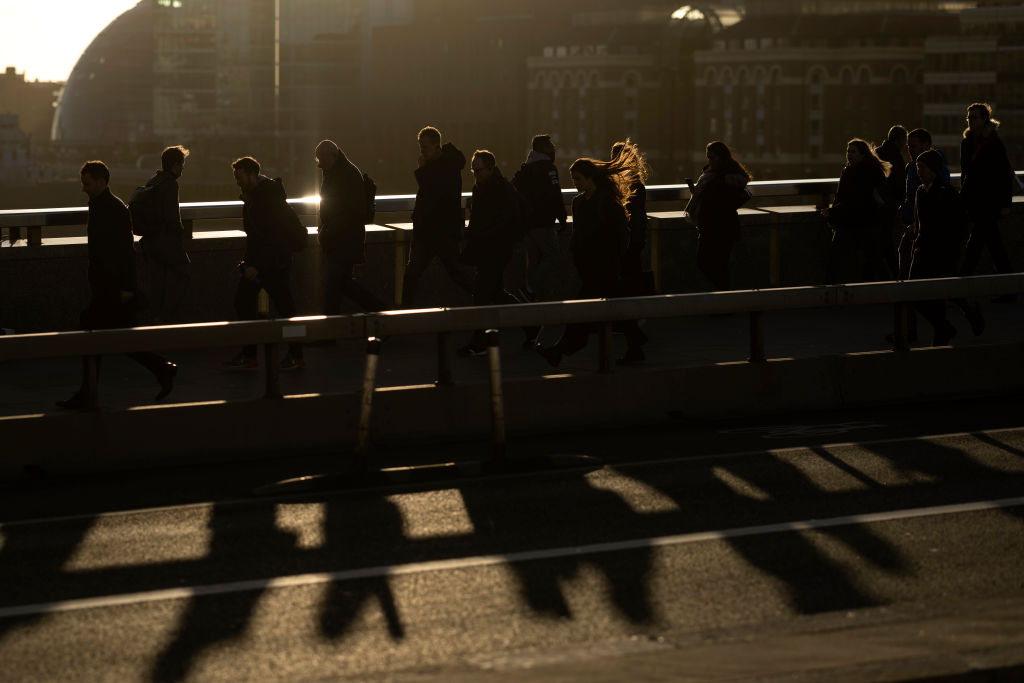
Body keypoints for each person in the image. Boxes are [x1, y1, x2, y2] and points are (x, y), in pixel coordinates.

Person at [57, 161, 176, 409]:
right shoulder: (105, 207)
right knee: (122, 339)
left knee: (93, 334)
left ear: (101, 182)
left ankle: (88, 393)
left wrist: (127, 288)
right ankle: (161, 369)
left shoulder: (114, 210)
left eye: (87, 183)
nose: (83, 188)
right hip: (108, 288)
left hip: (112, 290)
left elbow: (125, 253)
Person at [535, 152, 648, 367]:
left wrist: (613, 259)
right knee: (615, 308)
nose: (575, 183)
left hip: (604, 267)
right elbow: (578, 234)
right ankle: (636, 344)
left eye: (578, 179)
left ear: (589, 178)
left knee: (582, 310)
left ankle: (560, 350)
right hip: (588, 267)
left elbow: (621, 235)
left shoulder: (607, 203)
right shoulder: (579, 203)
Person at [223, 156, 305, 371]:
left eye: (239, 177)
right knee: (272, 306)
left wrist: (254, 266)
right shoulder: (257, 196)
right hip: (267, 262)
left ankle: (288, 354)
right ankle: (277, 354)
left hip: (274, 263)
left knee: (277, 307)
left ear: (252, 174)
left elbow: (271, 237)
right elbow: (257, 237)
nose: (237, 182)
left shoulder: (264, 199)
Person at [908, 149, 985, 345]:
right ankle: (945, 326)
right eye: (918, 167)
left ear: (933, 169)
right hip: (922, 251)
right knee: (914, 295)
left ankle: (944, 331)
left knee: (940, 294)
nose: (919, 172)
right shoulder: (920, 192)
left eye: (922, 167)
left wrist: (954, 246)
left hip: (941, 253)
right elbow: (918, 224)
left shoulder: (946, 193)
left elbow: (960, 222)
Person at [457, 150, 527, 356]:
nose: (475, 174)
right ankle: (533, 324)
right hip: (487, 248)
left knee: (480, 295)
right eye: (473, 170)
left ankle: (480, 342)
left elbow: (508, 220)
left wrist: (484, 234)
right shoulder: (482, 187)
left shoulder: (501, 189)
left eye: (478, 170)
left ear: (490, 168)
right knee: (496, 293)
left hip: (496, 248)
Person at [402, 126, 474, 307]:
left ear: (436, 146)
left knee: (418, 274)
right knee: (415, 274)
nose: (422, 151)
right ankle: (404, 312)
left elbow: (434, 192)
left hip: (439, 232)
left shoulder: (447, 166)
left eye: (424, 147)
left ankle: (486, 298)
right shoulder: (448, 164)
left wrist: (422, 170)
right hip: (432, 231)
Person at [315, 139, 387, 316]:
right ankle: (382, 312)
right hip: (339, 239)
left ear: (332, 156)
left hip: (343, 240)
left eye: (321, 161)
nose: (319, 165)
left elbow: (352, 211)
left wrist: (329, 230)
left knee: (331, 285)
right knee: (344, 285)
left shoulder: (346, 175)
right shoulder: (337, 171)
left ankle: (330, 333)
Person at [959, 103, 1016, 301]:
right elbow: (966, 173)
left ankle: (960, 287)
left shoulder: (994, 143)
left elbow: (1004, 176)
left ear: (985, 119)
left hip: (989, 202)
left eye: (974, 117)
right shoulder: (966, 143)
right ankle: (1009, 289)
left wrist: (1005, 204)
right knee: (995, 246)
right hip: (975, 201)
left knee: (976, 245)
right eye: (969, 117)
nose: (970, 120)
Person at [822, 139, 891, 284]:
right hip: (856, 221)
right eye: (848, 151)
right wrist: (834, 214)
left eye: (853, 151)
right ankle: (889, 286)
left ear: (862, 155)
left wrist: (834, 212)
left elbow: (856, 198)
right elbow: (840, 197)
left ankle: (829, 288)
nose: (849, 154)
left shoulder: (867, 172)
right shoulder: (848, 171)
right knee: (868, 257)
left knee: (870, 257)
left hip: (862, 222)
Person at [512, 134, 569, 304]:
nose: (553, 149)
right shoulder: (548, 168)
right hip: (543, 222)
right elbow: (554, 194)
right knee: (552, 256)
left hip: (527, 224)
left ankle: (532, 292)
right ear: (543, 149)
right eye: (550, 145)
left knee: (534, 259)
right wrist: (562, 216)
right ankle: (531, 286)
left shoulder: (526, 169)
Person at [687, 141, 752, 291]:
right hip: (708, 226)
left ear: (721, 157)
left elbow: (721, 200)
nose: (709, 161)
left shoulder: (726, 177)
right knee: (712, 264)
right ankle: (724, 301)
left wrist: (705, 192)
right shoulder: (711, 174)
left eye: (712, 157)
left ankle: (724, 301)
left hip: (721, 227)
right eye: (708, 157)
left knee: (713, 263)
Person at [139, 145, 191, 323]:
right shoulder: (170, 184)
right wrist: (180, 233)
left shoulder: (153, 180)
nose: (183, 168)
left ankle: (156, 319)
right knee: (183, 276)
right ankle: (164, 318)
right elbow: (171, 217)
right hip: (165, 242)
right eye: (182, 164)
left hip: (151, 242)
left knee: (157, 285)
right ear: (175, 164)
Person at [611, 138, 651, 286]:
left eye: (616, 158)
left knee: (629, 273)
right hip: (631, 236)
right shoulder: (630, 181)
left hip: (630, 236)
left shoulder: (631, 184)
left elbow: (634, 214)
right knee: (632, 271)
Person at [875, 126, 908, 279]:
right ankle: (895, 276)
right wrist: (898, 202)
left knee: (882, 242)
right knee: (886, 242)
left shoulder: (877, 153)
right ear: (900, 140)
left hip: (875, 205)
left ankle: (890, 275)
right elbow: (901, 184)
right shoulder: (896, 157)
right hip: (888, 206)